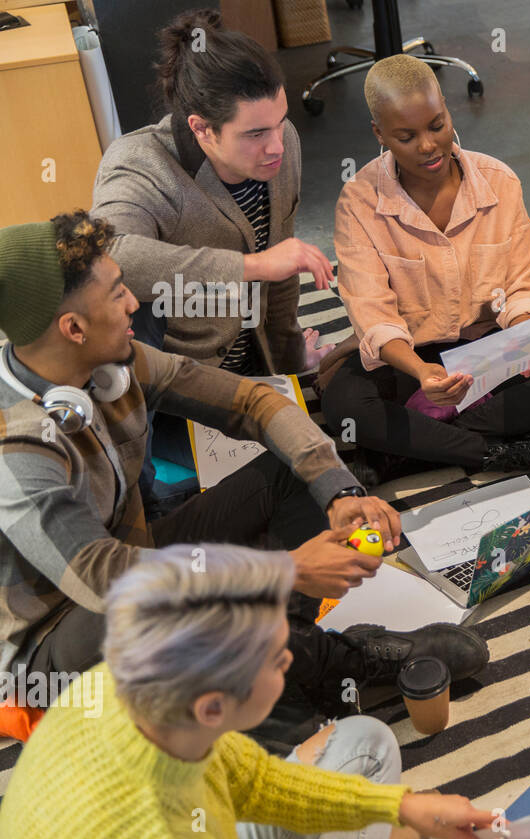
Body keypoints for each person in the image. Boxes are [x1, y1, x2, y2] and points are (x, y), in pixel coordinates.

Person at [0, 214, 487, 731]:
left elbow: (251, 402)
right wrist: (285, 571)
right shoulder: (18, 452)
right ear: (73, 329)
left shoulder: (112, 366)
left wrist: (339, 490)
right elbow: (105, 580)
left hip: (139, 559)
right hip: (62, 638)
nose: (134, 305)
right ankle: (313, 665)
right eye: (118, 293)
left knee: (297, 474)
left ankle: (299, 658)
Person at [0, 544, 508, 839]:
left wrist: (402, 805)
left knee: (369, 743)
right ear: (213, 710)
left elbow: (252, 782)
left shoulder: (126, 693)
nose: (292, 653)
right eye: (273, 657)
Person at [90, 9, 335, 508]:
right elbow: (109, 252)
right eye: (254, 134)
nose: (276, 146)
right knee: (256, 491)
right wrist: (252, 267)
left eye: (280, 121)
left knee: (327, 453)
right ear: (202, 128)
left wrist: (291, 367)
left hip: (252, 372)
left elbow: (282, 271)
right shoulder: (141, 164)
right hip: (181, 388)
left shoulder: (281, 142)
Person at [318, 55, 530, 479]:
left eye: (436, 124)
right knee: (346, 407)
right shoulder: (359, 202)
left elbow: (524, 286)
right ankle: (510, 452)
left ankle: (403, 452)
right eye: (406, 136)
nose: (429, 145)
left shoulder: (499, 181)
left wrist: (528, 342)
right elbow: (373, 316)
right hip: (407, 360)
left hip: (488, 350)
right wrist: (421, 372)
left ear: (446, 108)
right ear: (380, 134)